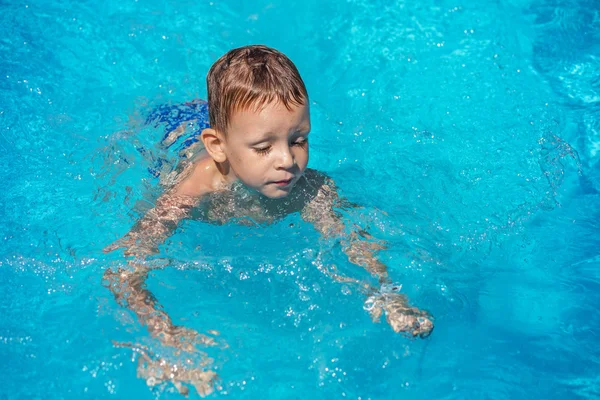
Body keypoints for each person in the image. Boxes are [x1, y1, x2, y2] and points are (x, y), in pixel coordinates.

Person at [103, 44, 433, 397]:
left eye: (299, 140)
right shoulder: (195, 189)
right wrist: (164, 335)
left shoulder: (310, 188)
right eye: (264, 148)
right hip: (170, 132)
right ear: (218, 147)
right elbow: (122, 266)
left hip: (232, 126)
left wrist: (388, 295)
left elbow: (354, 240)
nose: (287, 161)